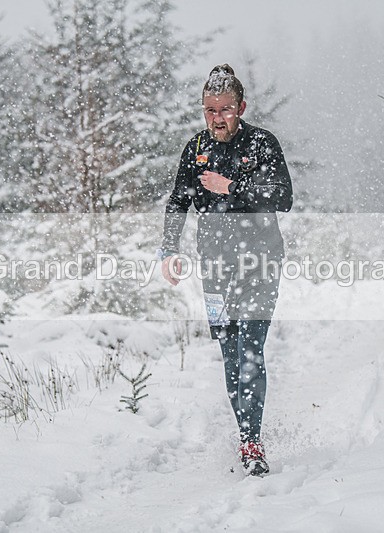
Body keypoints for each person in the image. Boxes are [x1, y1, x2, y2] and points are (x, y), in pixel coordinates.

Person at [159, 64, 293, 476]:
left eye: (226, 109)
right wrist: (168, 250)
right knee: (230, 355)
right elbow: (178, 201)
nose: (217, 117)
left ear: (241, 107)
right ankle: (245, 434)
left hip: (259, 262)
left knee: (250, 349)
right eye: (210, 109)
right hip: (214, 270)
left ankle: (252, 443)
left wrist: (231, 187)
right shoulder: (195, 148)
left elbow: (282, 197)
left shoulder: (261, 143)